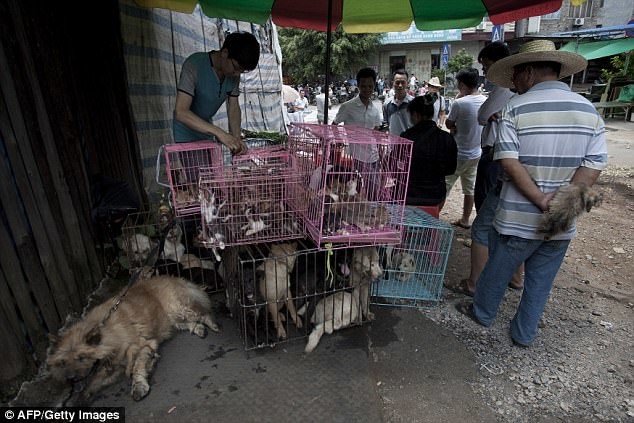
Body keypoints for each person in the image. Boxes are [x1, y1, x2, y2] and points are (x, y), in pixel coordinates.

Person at [455, 39, 607, 347]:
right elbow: (594, 166)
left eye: (515, 75)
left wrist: (540, 200)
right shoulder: (589, 111)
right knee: (540, 280)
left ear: (528, 72)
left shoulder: (516, 108)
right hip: (560, 221)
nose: (512, 82)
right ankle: (524, 333)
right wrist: (560, 202)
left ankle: (482, 313)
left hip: (518, 218)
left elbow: (508, 162)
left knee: (498, 269)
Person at [450, 42, 521, 297]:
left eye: (487, 65)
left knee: (486, 217)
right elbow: (484, 115)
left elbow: (483, 116)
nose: (486, 70)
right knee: (509, 217)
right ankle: (515, 276)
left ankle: (475, 283)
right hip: (499, 156)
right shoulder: (518, 91)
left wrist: (491, 115)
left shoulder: (503, 88)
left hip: (495, 156)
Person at [173, 32, 260, 156]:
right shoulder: (194, 65)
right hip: (186, 133)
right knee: (198, 172)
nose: (237, 74)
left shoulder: (233, 75)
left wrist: (236, 139)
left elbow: (233, 107)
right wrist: (220, 133)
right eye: (235, 67)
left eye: (242, 71)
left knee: (210, 172)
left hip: (206, 131)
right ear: (225, 53)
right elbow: (181, 112)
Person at [445, 68, 487, 228]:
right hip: (476, 153)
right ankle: (465, 219)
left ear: (462, 84)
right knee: (469, 188)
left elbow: (448, 123)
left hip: (458, 154)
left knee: (444, 185)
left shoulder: (460, 103)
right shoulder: (485, 100)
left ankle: (434, 218)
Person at [332, 67, 383, 198]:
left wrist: (381, 154)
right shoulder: (348, 106)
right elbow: (334, 125)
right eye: (363, 86)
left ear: (374, 86)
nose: (367, 89)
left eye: (370, 86)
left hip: (374, 156)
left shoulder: (375, 109)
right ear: (358, 86)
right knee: (369, 189)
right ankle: (367, 211)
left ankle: (369, 212)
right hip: (358, 156)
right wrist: (339, 141)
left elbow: (376, 132)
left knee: (372, 190)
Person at [401, 95, 457, 207]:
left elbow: (398, 169)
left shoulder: (405, 138)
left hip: (409, 195)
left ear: (416, 114)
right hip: (436, 196)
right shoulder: (446, 138)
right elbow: (451, 170)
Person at [383, 69, 414, 136]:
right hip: (392, 144)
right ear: (393, 83)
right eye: (397, 82)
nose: (400, 85)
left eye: (403, 82)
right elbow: (385, 124)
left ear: (407, 83)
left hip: (409, 144)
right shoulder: (387, 104)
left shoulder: (414, 103)